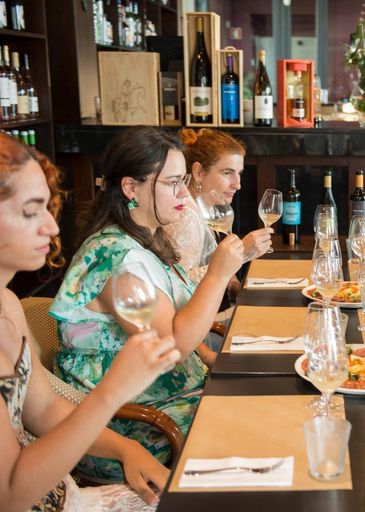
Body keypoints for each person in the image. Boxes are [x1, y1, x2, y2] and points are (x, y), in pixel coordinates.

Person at [0, 122, 180, 510]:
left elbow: (43, 410)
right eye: (31, 211)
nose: (51, 225)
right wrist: (113, 391)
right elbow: (5, 498)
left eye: (47, 207)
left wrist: (126, 448)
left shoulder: (4, 303)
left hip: (57, 491)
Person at [50, 126, 244, 482]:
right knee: (254, 422)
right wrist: (218, 274)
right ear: (130, 187)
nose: (184, 192)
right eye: (172, 183)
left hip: (168, 397)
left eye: (183, 180)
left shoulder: (145, 239)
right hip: (127, 425)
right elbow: (173, 348)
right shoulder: (117, 258)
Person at [167, 128, 271, 298]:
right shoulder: (186, 215)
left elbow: (222, 275)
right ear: (198, 173)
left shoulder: (207, 207)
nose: (237, 184)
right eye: (227, 173)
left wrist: (241, 292)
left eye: (239, 174)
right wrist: (241, 254)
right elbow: (179, 285)